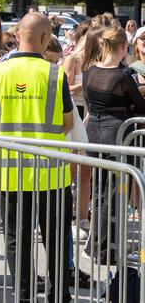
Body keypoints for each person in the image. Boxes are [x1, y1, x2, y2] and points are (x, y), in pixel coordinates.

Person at [0, 12, 74, 303]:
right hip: (52, 171)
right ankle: (58, 296)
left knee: (16, 239)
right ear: (46, 38)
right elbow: (68, 123)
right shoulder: (54, 73)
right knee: (56, 238)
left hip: (8, 172)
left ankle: (23, 297)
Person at [83, 26, 145, 263]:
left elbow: (91, 103)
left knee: (99, 194)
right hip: (116, 136)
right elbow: (140, 106)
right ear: (122, 47)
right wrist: (129, 105)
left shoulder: (89, 72)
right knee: (114, 195)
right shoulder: (122, 76)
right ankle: (107, 250)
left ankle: (98, 248)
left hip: (94, 134)